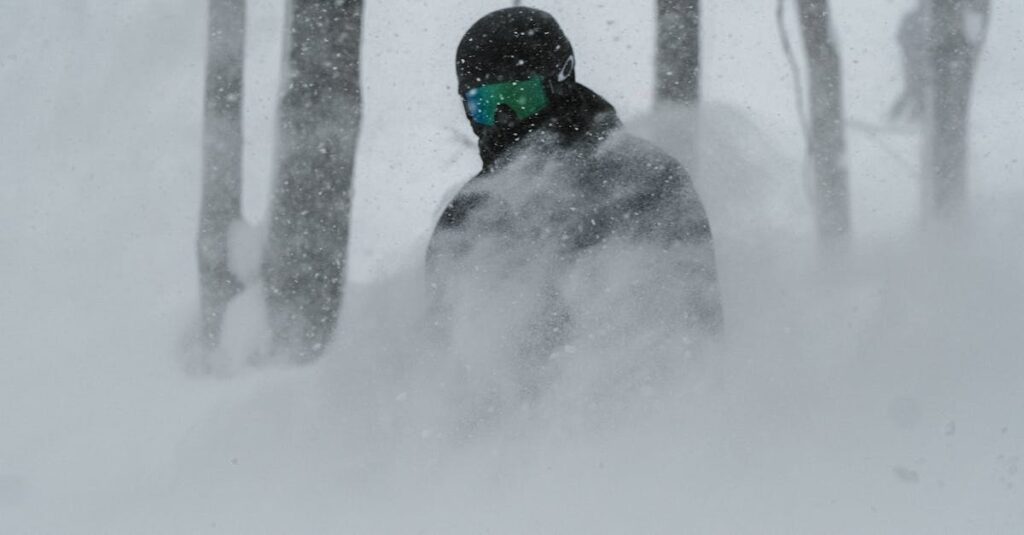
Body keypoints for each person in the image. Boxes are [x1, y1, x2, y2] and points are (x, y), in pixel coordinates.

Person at [426, 7, 723, 369]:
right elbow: (441, 352)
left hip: (639, 389)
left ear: (560, 82)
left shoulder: (642, 180)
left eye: (520, 97)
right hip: (510, 401)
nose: (505, 119)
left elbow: (697, 322)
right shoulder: (469, 215)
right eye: (485, 105)